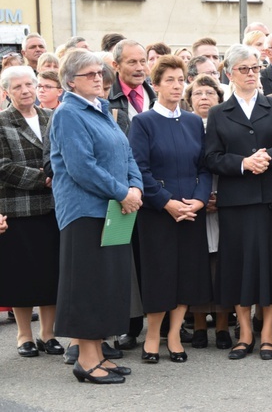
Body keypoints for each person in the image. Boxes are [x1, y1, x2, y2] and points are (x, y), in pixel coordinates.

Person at [50, 49, 143, 384]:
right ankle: (86, 360)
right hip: (85, 212)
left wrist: (136, 188)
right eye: (89, 74)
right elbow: (81, 167)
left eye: (100, 73)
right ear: (70, 81)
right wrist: (122, 192)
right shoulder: (68, 113)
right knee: (88, 285)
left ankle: (99, 353)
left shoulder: (102, 110)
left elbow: (126, 153)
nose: (98, 79)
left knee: (108, 284)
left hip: (113, 210)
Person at [206, 44, 272, 360]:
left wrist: (267, 157)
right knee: (238, 266)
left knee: (271, 265)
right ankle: (244, 331)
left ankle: (267, 331)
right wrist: (244, 163)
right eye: (244, 69)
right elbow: (212, 158)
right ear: (230, 73)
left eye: (255, 68)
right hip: (237, 201)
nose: (251, 74)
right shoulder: (219, 113)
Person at [127, 56, 212, 363]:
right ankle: (152, 337)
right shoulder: (143, 122)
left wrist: (200, 200)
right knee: (159, 276)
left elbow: (204, 166)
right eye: (170, 80)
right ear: (156, 85)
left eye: (181, 80)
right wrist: (166, 202)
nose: (177, 86)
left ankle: (175, 335)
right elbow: (138, 168)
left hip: (191, 209)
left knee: (187, 275)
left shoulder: (192, 121)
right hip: (157, 213)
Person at [0, 66, 61, 359]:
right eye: (17, 87)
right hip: (18, 210)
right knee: (21, 274)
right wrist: (44, 178)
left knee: (51, 272)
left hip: (53, 208)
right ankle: (24, 334)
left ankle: (48, 334)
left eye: (29, 84)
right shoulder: (1, 122)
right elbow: (3, 167)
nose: (25, 90)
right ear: (7, 92)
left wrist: (55, 175)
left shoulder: (52, 117)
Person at [183, 75, 233, 350]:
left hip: (224, 199)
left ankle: (224, 325)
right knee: (199, 265)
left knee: (222, 265)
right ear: (189, 100)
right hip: (193, 201)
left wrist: (219, 197)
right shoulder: (186, 126)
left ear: (218, 98)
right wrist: (201, 198)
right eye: (197, 93)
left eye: (210, 93)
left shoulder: (224, 123)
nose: (204, 97)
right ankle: (200, 324)